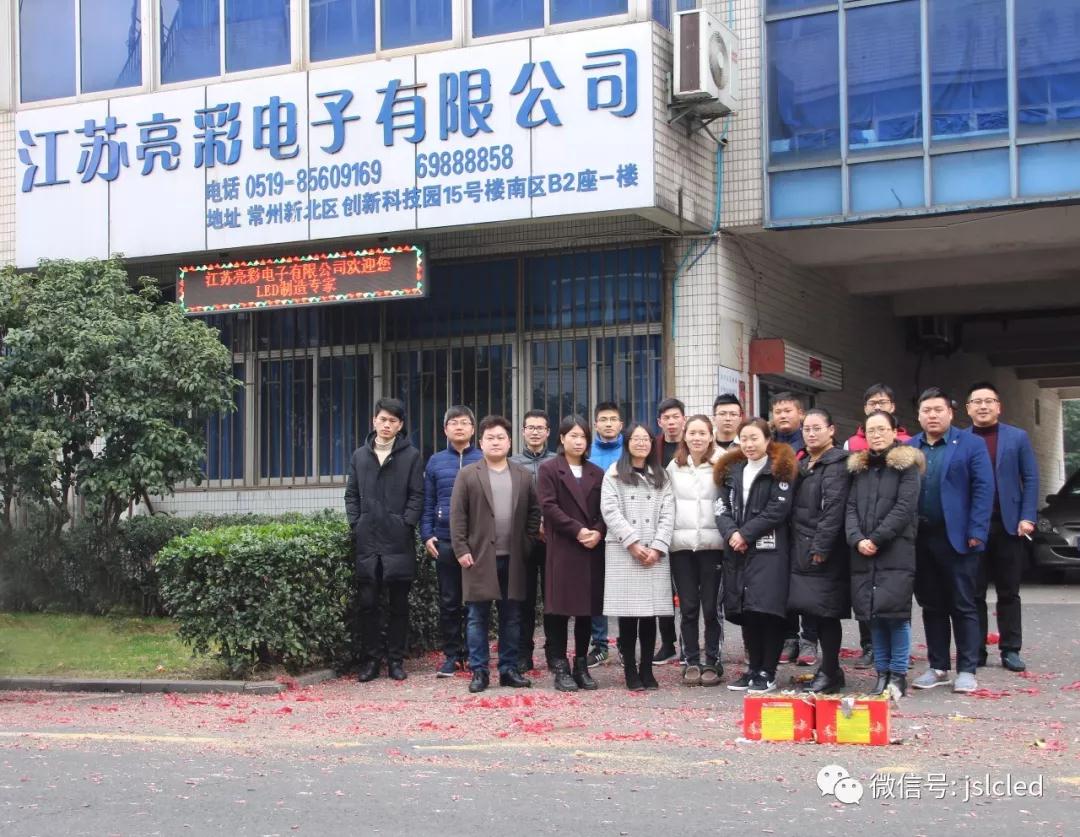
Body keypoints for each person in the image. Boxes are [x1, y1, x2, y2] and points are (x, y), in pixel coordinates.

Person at [908, 388, 994, 694]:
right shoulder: (909, 446)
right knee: (931, 604)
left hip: (958, 538)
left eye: (938, 410)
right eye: (926, 410)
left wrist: (977, 531)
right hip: (921, 538)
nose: (932, 415)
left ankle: (967, 669)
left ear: (950, 413)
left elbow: (983, 489)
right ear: (919, 415)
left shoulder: (971, 444)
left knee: (963, 603)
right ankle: (938, 666)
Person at [450, 415, 541, 694]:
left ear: (510, 442)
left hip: (513, 559)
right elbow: (458, 515)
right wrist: (461, 549)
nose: (496, 442)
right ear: (481, 442)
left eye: (501, 437)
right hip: (478, 558)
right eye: (490, 438)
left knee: (512, 617)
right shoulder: (468, 475)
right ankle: (479, 671)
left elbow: (534, 513)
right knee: (476, 617)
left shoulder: (522, 475)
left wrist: (526, 544)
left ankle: (508, 669)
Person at [714, 418, 798, 694]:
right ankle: (752, 668)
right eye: (744, 439)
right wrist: (732, 533)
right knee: (748, 611)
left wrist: (745, 534)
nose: (749, 444)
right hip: (738, 551)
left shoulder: (778, 469)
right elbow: (721, 508)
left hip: (770, 551)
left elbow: (778, 509)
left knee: (767, 611)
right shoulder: (731, 470)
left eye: (754, 438)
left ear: (767, 440)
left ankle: (767, 671)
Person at [344, 398, 424, 683]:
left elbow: (417, 495)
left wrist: (406, 523)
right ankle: (371, 661)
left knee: (398, 605)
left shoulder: (411, 456)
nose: (386, 424)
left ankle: (395, 661)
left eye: (392, 420)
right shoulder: (360, 456)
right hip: (368, 540)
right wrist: (357, 523)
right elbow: (351, 495)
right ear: (374, 421)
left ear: (400, 425)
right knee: (368, 604)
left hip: (398, 541)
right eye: (382, 419)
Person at [846, 410, 924, 697]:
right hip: (863, 552)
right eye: (871, 430)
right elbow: (850, 508)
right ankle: (881, 673)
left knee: (897, 615)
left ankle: (898, 674)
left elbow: (904, 508)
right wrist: (857, 539)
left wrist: (876, 538)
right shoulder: (860, 469)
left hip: (895, 550)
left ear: (894, 432)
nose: (876, 435)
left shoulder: (907, 467)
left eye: (882, 429)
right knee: (874, 616)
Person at [963, 382, 1038, 673]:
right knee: (973, 593)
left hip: (1009, 525)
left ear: (998, 406)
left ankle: (1010, 649)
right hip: (973, 527)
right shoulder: (961, 439)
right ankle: (976, 650)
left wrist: (1027, 516)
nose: (983, 406)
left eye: (988, 401)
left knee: (1009, 591)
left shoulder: (1017, 437)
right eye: (977, 401)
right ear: (968, 409)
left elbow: (1030, 478)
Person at [601, 423, 675, 691]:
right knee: (628, 615)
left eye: (646, 439)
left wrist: (658, 546)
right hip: (624, 551)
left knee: (650, 614)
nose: (642, 443)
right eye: (636, 438)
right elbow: (610, 510)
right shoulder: (614, 474)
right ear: (627, 442)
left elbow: (668, 512)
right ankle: (631, 670)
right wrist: (632, 542)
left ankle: (647, 669)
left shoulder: (662, 475)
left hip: (654, 552)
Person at [537, 416, 606, 691]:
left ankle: (581, 665)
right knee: (559, 611)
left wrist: (598, 531)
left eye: (583, 437)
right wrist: (578, 530)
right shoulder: (549, 469)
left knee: (586, 611)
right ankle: (560, 667)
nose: (578, 441)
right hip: (563, 547)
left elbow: (605, 510)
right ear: (562, 438)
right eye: (573, 436)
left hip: (591, 548)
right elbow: (549, 507)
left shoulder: (596, 472)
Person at [787, 408, 851, 694]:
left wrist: (821, 547)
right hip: (801, 546)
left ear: (831, 430)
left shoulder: (837, 463)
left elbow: (833, 510)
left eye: (817, 428)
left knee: (826, 613)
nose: (811, 434)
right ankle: (828, 670)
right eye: (807, 429)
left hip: (824, 551)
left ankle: (831, 670)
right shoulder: (804, 463)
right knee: (812, 610)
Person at [421, 406, 483, 678]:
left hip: (477, 541)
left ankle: (473, 655)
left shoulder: (483, 458)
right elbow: (428, 501)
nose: (459, 427)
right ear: (445, 429)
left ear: (473, 428)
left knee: (475, 601)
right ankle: (452, 656)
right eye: (453, 423)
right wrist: (427, 534)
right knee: (449, 602)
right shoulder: (435, 461)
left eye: (464, 422)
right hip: (444, 540)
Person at [667, 415, 725, 686]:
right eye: (692, 433)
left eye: (703, 433)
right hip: (681, 547)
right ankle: (690, 659)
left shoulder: (723, 463)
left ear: (711, 436)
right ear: (685, 436)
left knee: (711, 607)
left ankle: (713, 660)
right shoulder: (674, 466)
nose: (697, 438)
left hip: (713, 546)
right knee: (688, 607)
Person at [510, 410, 557, 674]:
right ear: (523, 431)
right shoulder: (512, 463)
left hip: (553, 540)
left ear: (548, 432)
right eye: (531, 427)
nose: (535, 432)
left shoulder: (557, 461)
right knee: (524, 600)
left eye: (541, 428)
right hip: (524, 540)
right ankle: (523, 654)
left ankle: (553, 651)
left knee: (553, 599)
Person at [769, 392, 814, 664]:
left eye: (788, 410)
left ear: (801, 414)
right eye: (778, 411)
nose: (783, 415)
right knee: (781, 582)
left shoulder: (809, 442)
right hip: (777, 524)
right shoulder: (768, 444)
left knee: (807, 583)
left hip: (805, 522)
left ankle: (809, 639)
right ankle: (789, 638)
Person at [585, 401, 625, 668]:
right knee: (596, 589)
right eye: (603, 419)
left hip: (624, 531)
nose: (608, 424)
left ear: (621, 424)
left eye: (613, 419)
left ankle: (624, 643)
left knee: (624, 589)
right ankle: (599, 645)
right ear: (595, 424)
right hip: (595, 530)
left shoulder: (630, 451)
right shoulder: (586, 451)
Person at [650, 397, 686, 664]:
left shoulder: (694, 443)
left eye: (676, 417)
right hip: (659, 524)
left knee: (687, 589)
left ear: (684, 419)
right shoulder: (653, 447)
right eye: (666, 418)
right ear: (659, 422)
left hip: (687, 523)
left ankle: (689, 642)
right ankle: (668, 643)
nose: (671, 422)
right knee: (662, 587)